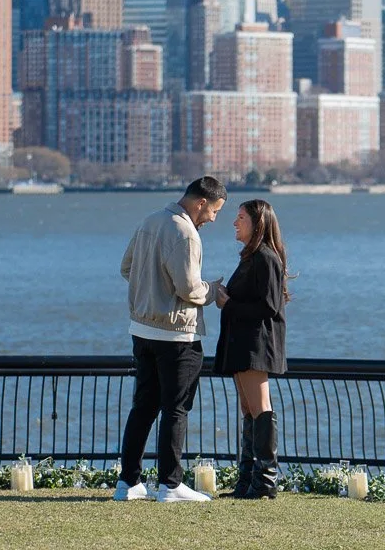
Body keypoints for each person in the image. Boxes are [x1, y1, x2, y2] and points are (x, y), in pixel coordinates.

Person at [115, 176, 226, 503]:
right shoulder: (185, 233)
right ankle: (171, 484)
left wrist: (150, 289)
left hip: (142, 330)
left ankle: (128, 482)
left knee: (143, 407)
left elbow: (126, 268)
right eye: (215, 211)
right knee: (175, 408)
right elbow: (189, 288)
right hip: (177, 335)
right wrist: (213, 291)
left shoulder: (149, 221)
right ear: (201, 202)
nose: (214, 219)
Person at [213, 198, 289, 499]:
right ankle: (246, 480)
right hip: (242, 342)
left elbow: (269, 306)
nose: (235, 222)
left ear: (257, 223)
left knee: (260, 410)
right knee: (248, 411)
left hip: (256, 344)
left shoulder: (266, 258)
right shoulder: (251, 258)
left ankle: (265, 481)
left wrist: (229, 303)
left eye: (241, 217)